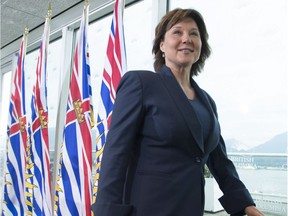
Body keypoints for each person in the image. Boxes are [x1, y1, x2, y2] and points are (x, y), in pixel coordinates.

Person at [91, 8, 264, 216]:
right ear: (162, 45)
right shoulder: (140, 83)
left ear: (201, 46)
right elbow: (115, 154)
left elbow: (220, 161)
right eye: (177, 32)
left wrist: (246, 204)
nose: (186, 39)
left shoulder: (207, 102)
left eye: (194, 34)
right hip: (148, 208)